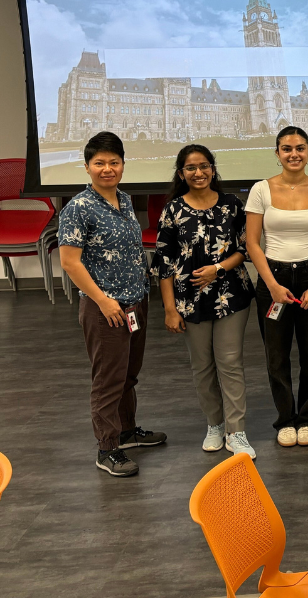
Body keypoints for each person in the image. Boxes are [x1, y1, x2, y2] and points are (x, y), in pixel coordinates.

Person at [58, 132, 166, 478]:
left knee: (128, 374)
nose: (108, 169)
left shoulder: (124, 199)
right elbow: (70, 262)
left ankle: (127, 431)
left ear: (122, 164)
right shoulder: (78, 208)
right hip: (106, 308)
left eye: (114, 162)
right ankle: (107, 448)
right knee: (108, 380)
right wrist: (103, 301)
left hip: (136, 302)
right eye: (100, 163)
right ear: (87, 166)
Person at [155, 145, 256, 458]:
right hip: (189, 300)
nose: (198, 173)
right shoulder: (172, 210)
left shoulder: (231, 205)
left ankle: (236, 432)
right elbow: (163, 263)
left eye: (204, 166)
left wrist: (217, 268)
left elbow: (245, 249)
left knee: (230, 362)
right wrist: (170, 309)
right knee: (202, 366)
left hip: (231, 296)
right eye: (190, 168)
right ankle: (215, 425)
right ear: (181, 173)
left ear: (213, 169)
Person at [247, 126, 308, 448]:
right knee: (277, 356)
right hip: (274, 280)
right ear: (277, 154)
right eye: (286, 149)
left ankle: (307, 417)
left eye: (300, 148)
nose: (294, 154)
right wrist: (271, 285)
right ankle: (285, 419)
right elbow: (253, 243)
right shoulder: (261, 190)